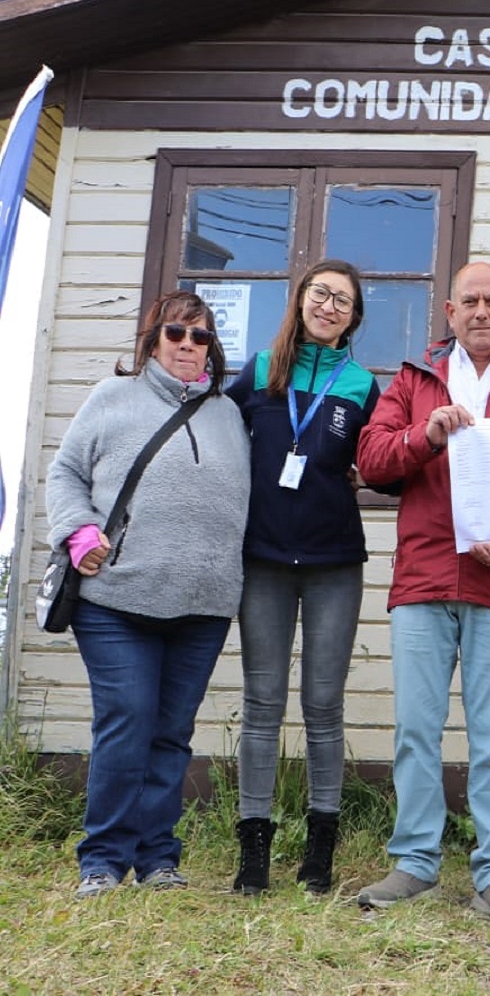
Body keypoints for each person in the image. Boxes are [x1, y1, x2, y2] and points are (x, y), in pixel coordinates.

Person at [353, 261, 490, 919]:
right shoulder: (414, 381)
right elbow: (372, 460)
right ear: (449, 312)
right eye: (469, 301)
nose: (481, 311)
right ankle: (414, 862)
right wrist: (424, 435)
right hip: (423, 579)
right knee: (416, 730)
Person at [46, 290, 250, 900]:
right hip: (116, 598)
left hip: (203, 604)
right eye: (176, 333)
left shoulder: (229, 414)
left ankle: (158, 857)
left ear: (212, 347)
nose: (188, 345)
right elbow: (65, 472)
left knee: (171, 733)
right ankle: (103, 861)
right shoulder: (112, 398)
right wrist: (78, 532)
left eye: (201, 336)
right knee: (128, 721)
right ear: (153, 340)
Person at [226, 260, 381, 895]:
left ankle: (320, 851)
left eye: (343, 300)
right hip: (262, 559)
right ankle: (253, 849)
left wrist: (366, 471)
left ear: (353, 318)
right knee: (262, 703)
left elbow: (379, 457)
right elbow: (217, 436)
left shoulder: (362, 384)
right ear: (300, 299)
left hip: (333, 562)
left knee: (323, 705)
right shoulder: (262, 370)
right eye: (321, 293)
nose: (329, 306)